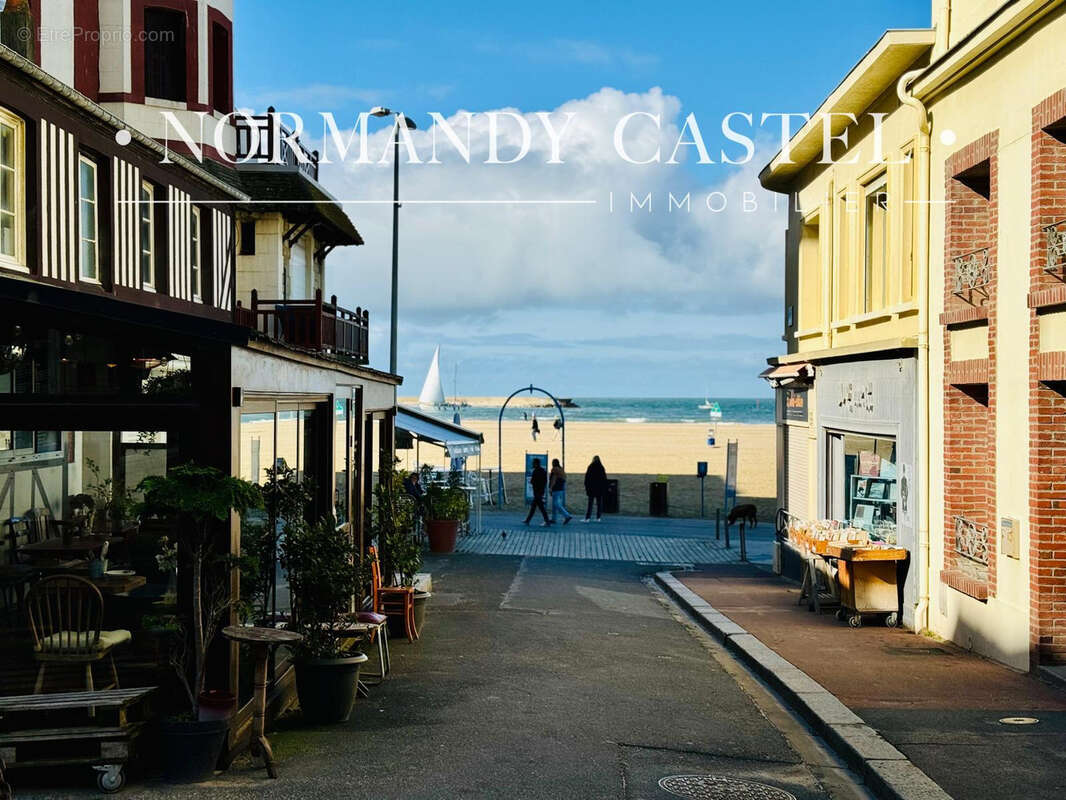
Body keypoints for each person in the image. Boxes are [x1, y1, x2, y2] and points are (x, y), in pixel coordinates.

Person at [523, 458, 551, 526]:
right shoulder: (543, 471)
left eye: (533, 463)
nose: (532, 464)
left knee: (541, 507)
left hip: (537, 491)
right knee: (534, 506)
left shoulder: (535, 471)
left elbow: (533, 481)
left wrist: (533, 483)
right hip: (541, 491)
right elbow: (545, 481)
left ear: (536, 463)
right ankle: (528, 520)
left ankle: (547, 521)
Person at [583, 455, 607, 522]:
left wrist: (586, 487)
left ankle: (587, 518)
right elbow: (604, 479)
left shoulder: (590, 467)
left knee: (590, 503)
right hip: (599, 489)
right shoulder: (601, 467)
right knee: (599, 504)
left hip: (591, 488)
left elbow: (587, 478)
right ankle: (598, 518)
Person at [548, 458, 573, 524]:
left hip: (556, 488)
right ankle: (554, 519)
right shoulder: (561, 470)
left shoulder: (554, 470)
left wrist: (550, 488)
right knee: (554, 504)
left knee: (556, 504)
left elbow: (553, 479)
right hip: (561, 489)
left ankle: (567, 515)